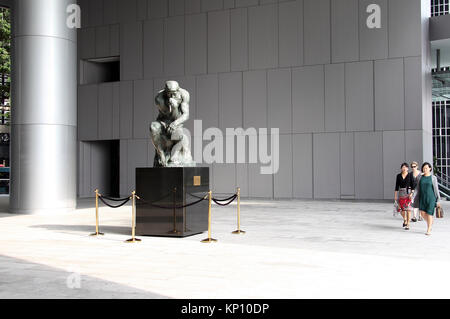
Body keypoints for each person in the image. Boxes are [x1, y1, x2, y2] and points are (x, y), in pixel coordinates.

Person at [412, 162, 441, 236]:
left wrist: (438, 200)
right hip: (422, 198)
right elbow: (417, 188)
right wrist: (413, 196)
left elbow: (436, 189)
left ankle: (428, 229)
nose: (425, 169)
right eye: (423, 168)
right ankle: (430, 222)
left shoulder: (433, 178)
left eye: (426, 168)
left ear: (430, 168)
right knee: (422, 213)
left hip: (431, 198)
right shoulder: (420, 177)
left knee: (429, 213)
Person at [394, 163, 415, 230]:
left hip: (408, 193)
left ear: (408, 168)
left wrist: (412, 193)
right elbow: (396, 186)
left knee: (408, 210)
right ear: (401, 168)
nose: (404, 168)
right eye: (403, 167)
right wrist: (395, 196)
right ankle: (405, 219)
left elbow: (413, 185)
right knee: (401, 209)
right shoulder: (398, 176)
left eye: (405, 167)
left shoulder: (410, 175)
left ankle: (408, 224)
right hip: (401, 194)